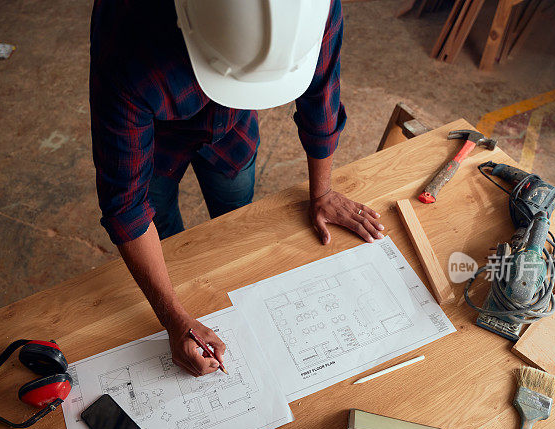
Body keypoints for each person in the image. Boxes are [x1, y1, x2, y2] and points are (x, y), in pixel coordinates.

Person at [90, 0, 384, 377]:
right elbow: (127, 207)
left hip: (233, 130)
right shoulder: (129, 40)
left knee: (235, 226)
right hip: (156, 141)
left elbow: (320, 99)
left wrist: (322, 192)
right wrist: (174, 318)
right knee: (165, 235)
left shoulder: (308, 10)